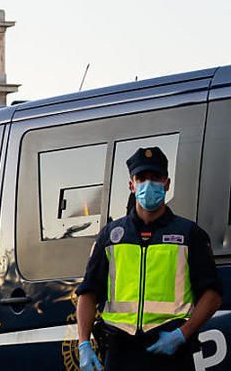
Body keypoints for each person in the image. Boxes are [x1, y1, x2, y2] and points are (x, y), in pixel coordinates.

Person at [76, 147, 222, 371]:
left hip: (171, 352)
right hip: (120, 353)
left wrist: (182, 335)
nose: (148, 184)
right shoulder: (110, 236)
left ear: (167, 184)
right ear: (131, 185)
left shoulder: (189, 234)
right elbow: (88, 294)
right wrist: (84, 343)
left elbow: (212, 296)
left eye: (156, 178)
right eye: (141, 178)